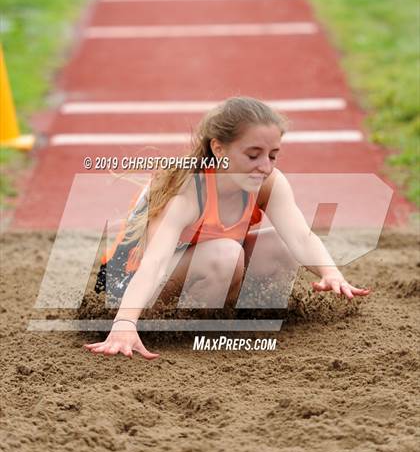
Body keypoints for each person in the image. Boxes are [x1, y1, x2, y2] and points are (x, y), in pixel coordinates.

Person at [84, 96, 370, 360]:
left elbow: (301, 238)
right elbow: (154, 263)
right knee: (226, 254)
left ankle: (242, 322)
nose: (265, 167)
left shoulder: (269, 182)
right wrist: (123, 323)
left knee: (280, 247)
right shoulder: (189, 191)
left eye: (272, 155)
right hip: (126, 286)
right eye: (253, 155)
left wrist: (330, 272)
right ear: (218, 148)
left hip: (192, 265)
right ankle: (189, 334)